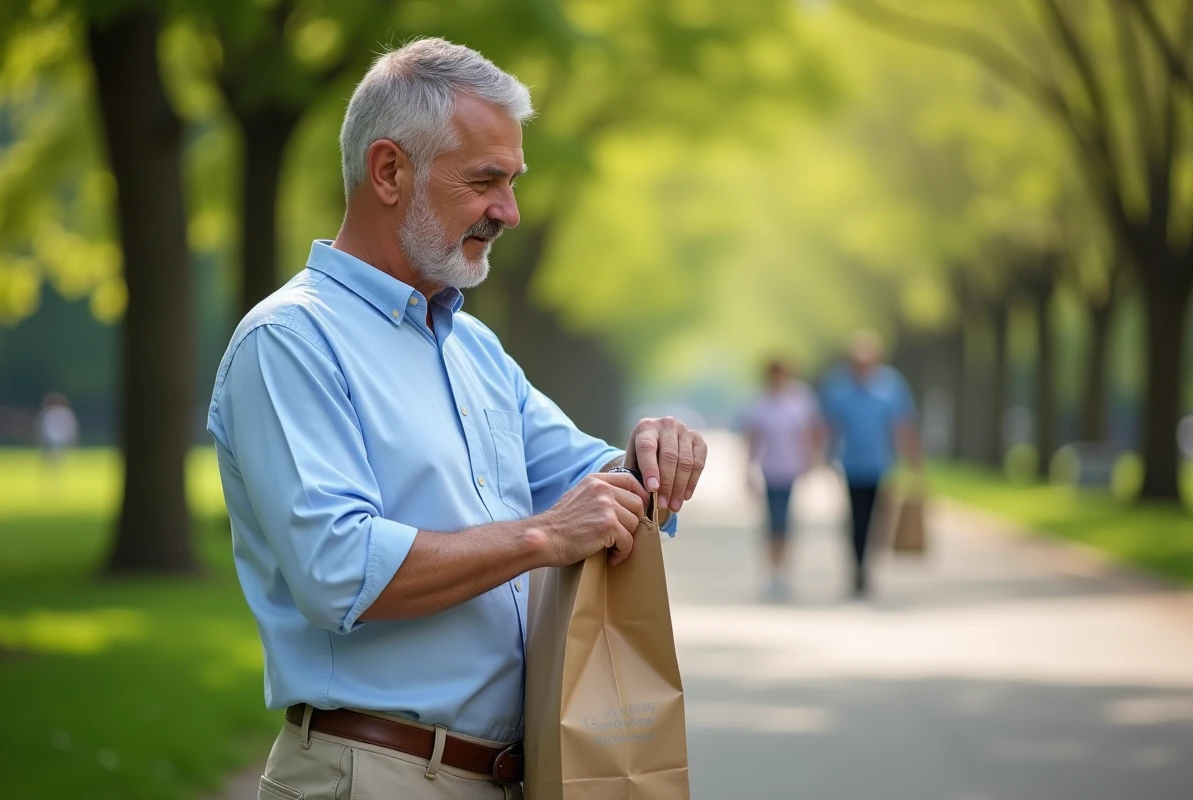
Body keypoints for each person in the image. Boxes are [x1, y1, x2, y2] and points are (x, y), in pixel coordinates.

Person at [206, 39, 707, 800]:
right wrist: (540, 537)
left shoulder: (472, 346)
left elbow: (588, 481)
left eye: (512, 181)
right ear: (388, 171)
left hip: (503, 775)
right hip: (371, 776)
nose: (508, 210)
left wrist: (649, 456)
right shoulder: (290, 342)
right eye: (485, 181)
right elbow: (339, 571)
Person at [820, 331, 921, 599]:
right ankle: (857, 566)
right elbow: (830, 426)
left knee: (877, 521)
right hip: (852, 465)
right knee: (856, 520)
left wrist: (913, 462)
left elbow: (902, 426)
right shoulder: (839, 387)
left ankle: (869, 566)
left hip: (881, 465)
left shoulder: (891, 386)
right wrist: (825, 457)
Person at [743, 358, 822, 601]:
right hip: (770, 469)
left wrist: (810, 462)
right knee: (772, 522)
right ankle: (773, 572)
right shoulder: (761, 403)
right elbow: (754, 437)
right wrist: (748, 467)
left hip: (791, 469)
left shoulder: (799, 401)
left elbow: (808, 433)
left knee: (785, 521)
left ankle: (784, 572)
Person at [36, 392, 79, 465]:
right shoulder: (49, 413)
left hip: (56, 437)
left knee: (55, 455)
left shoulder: (62, 413)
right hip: (55, 437)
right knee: (55, 455)